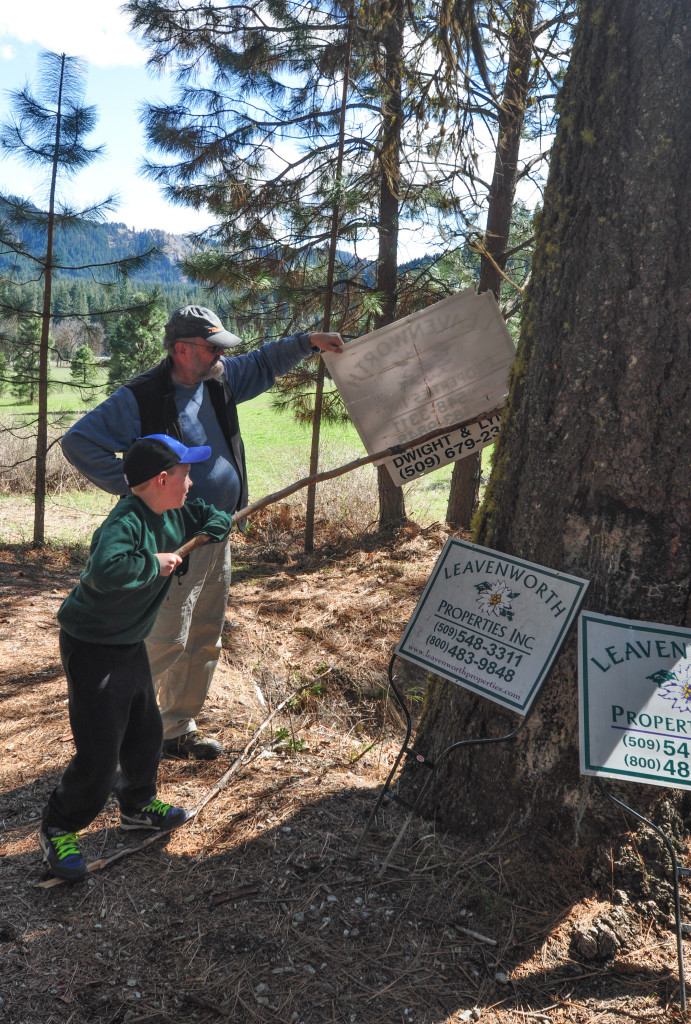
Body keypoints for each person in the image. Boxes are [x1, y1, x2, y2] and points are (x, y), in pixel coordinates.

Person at [61, 306, 344, 761]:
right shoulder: (141, 398)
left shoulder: (219, 378)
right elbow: (79, 442)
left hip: (218, 533)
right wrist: (141, 489)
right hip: (172, 542)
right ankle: (120, 741)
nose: (220, 355)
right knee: (163, 639)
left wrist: (310, 340)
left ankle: (174, 728)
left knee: (204, 636)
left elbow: (265, 362)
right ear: (181, 349)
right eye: (212, 347)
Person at [40, 434, 233, 881]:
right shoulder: (126, 521)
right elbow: (106, 568)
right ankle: (59, 825)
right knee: (102, 747)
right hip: (92, 644)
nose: (192, 482)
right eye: (186, 475)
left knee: (146, 729)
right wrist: (155, 562)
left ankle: (139, 806)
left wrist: (216, 526)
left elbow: (213, 516)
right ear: (162, 479)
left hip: (128, 641)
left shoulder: (177, 509)